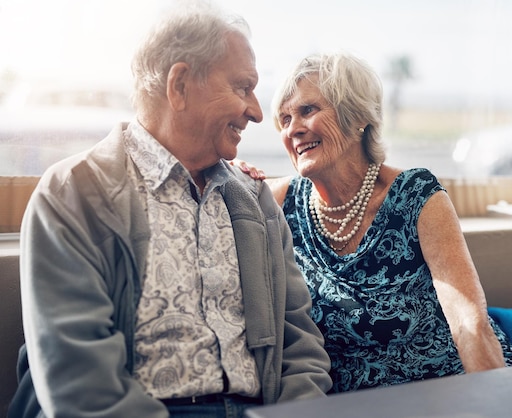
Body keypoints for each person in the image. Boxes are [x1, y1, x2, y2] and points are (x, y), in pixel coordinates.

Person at [8, 3, 332, 418]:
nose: (255, 110)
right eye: (242, 87)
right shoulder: (74, 194)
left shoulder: (256, 201)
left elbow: (300, 348)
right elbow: (79, 382)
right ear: (179, 85)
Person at [239, 52, 512, 393]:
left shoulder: (415, 194)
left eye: (308, 110)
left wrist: (494, 401)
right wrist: (234, 172)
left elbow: (468, 320)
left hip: (446, 383)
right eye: (284, 119)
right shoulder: (277, 200)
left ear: (357, 118)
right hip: (348, 403)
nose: (293, 129)